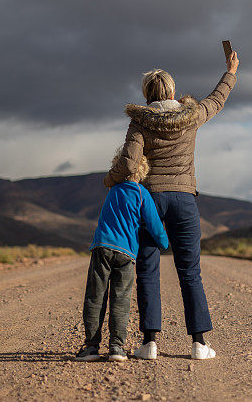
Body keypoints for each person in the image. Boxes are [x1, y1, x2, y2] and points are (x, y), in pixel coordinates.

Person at [104, 49, 239, 360]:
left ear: (147, 94)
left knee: (147, 269)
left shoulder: (139, 121)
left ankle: (149, 344)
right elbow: (217, 100)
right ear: (173, 91)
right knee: (190, 271)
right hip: (184, 199)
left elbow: (128, 162)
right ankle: (199, 345)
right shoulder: (191, 117)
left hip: (148, 200)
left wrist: (110, 180)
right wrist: (231, 72)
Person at [76, 153, 169, 362]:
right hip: (126, 253)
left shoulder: (112, 191)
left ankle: (91, 347)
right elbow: (154, 225)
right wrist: (164, 244)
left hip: (102, 247)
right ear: (143, 172)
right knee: (121, 299)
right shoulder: (142, 193)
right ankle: (117, 348)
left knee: (95, 297)